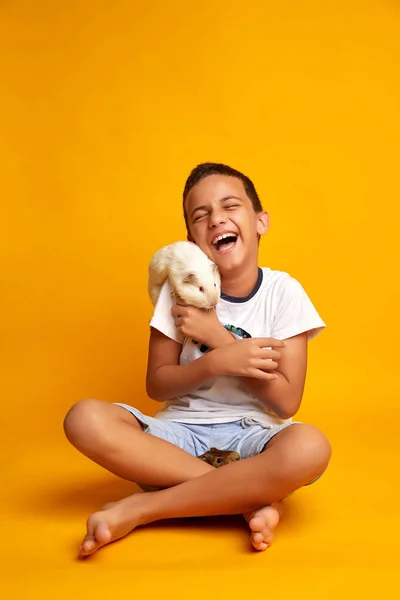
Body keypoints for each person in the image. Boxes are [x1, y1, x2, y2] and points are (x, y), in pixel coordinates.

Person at [64, 162, 332, 557]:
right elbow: (157, 383)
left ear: (260, 221)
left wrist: (219, 340)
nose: (216, 219)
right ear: (190, 238)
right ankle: (245, 499)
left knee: (310, 447)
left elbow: (288, 402)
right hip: (177, 441)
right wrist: (214, 363)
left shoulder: (284, 293)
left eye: (229, 206)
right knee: (83, 418)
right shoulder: (179, 290)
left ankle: (145, 508)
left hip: (254, 439)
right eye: (200, 215)